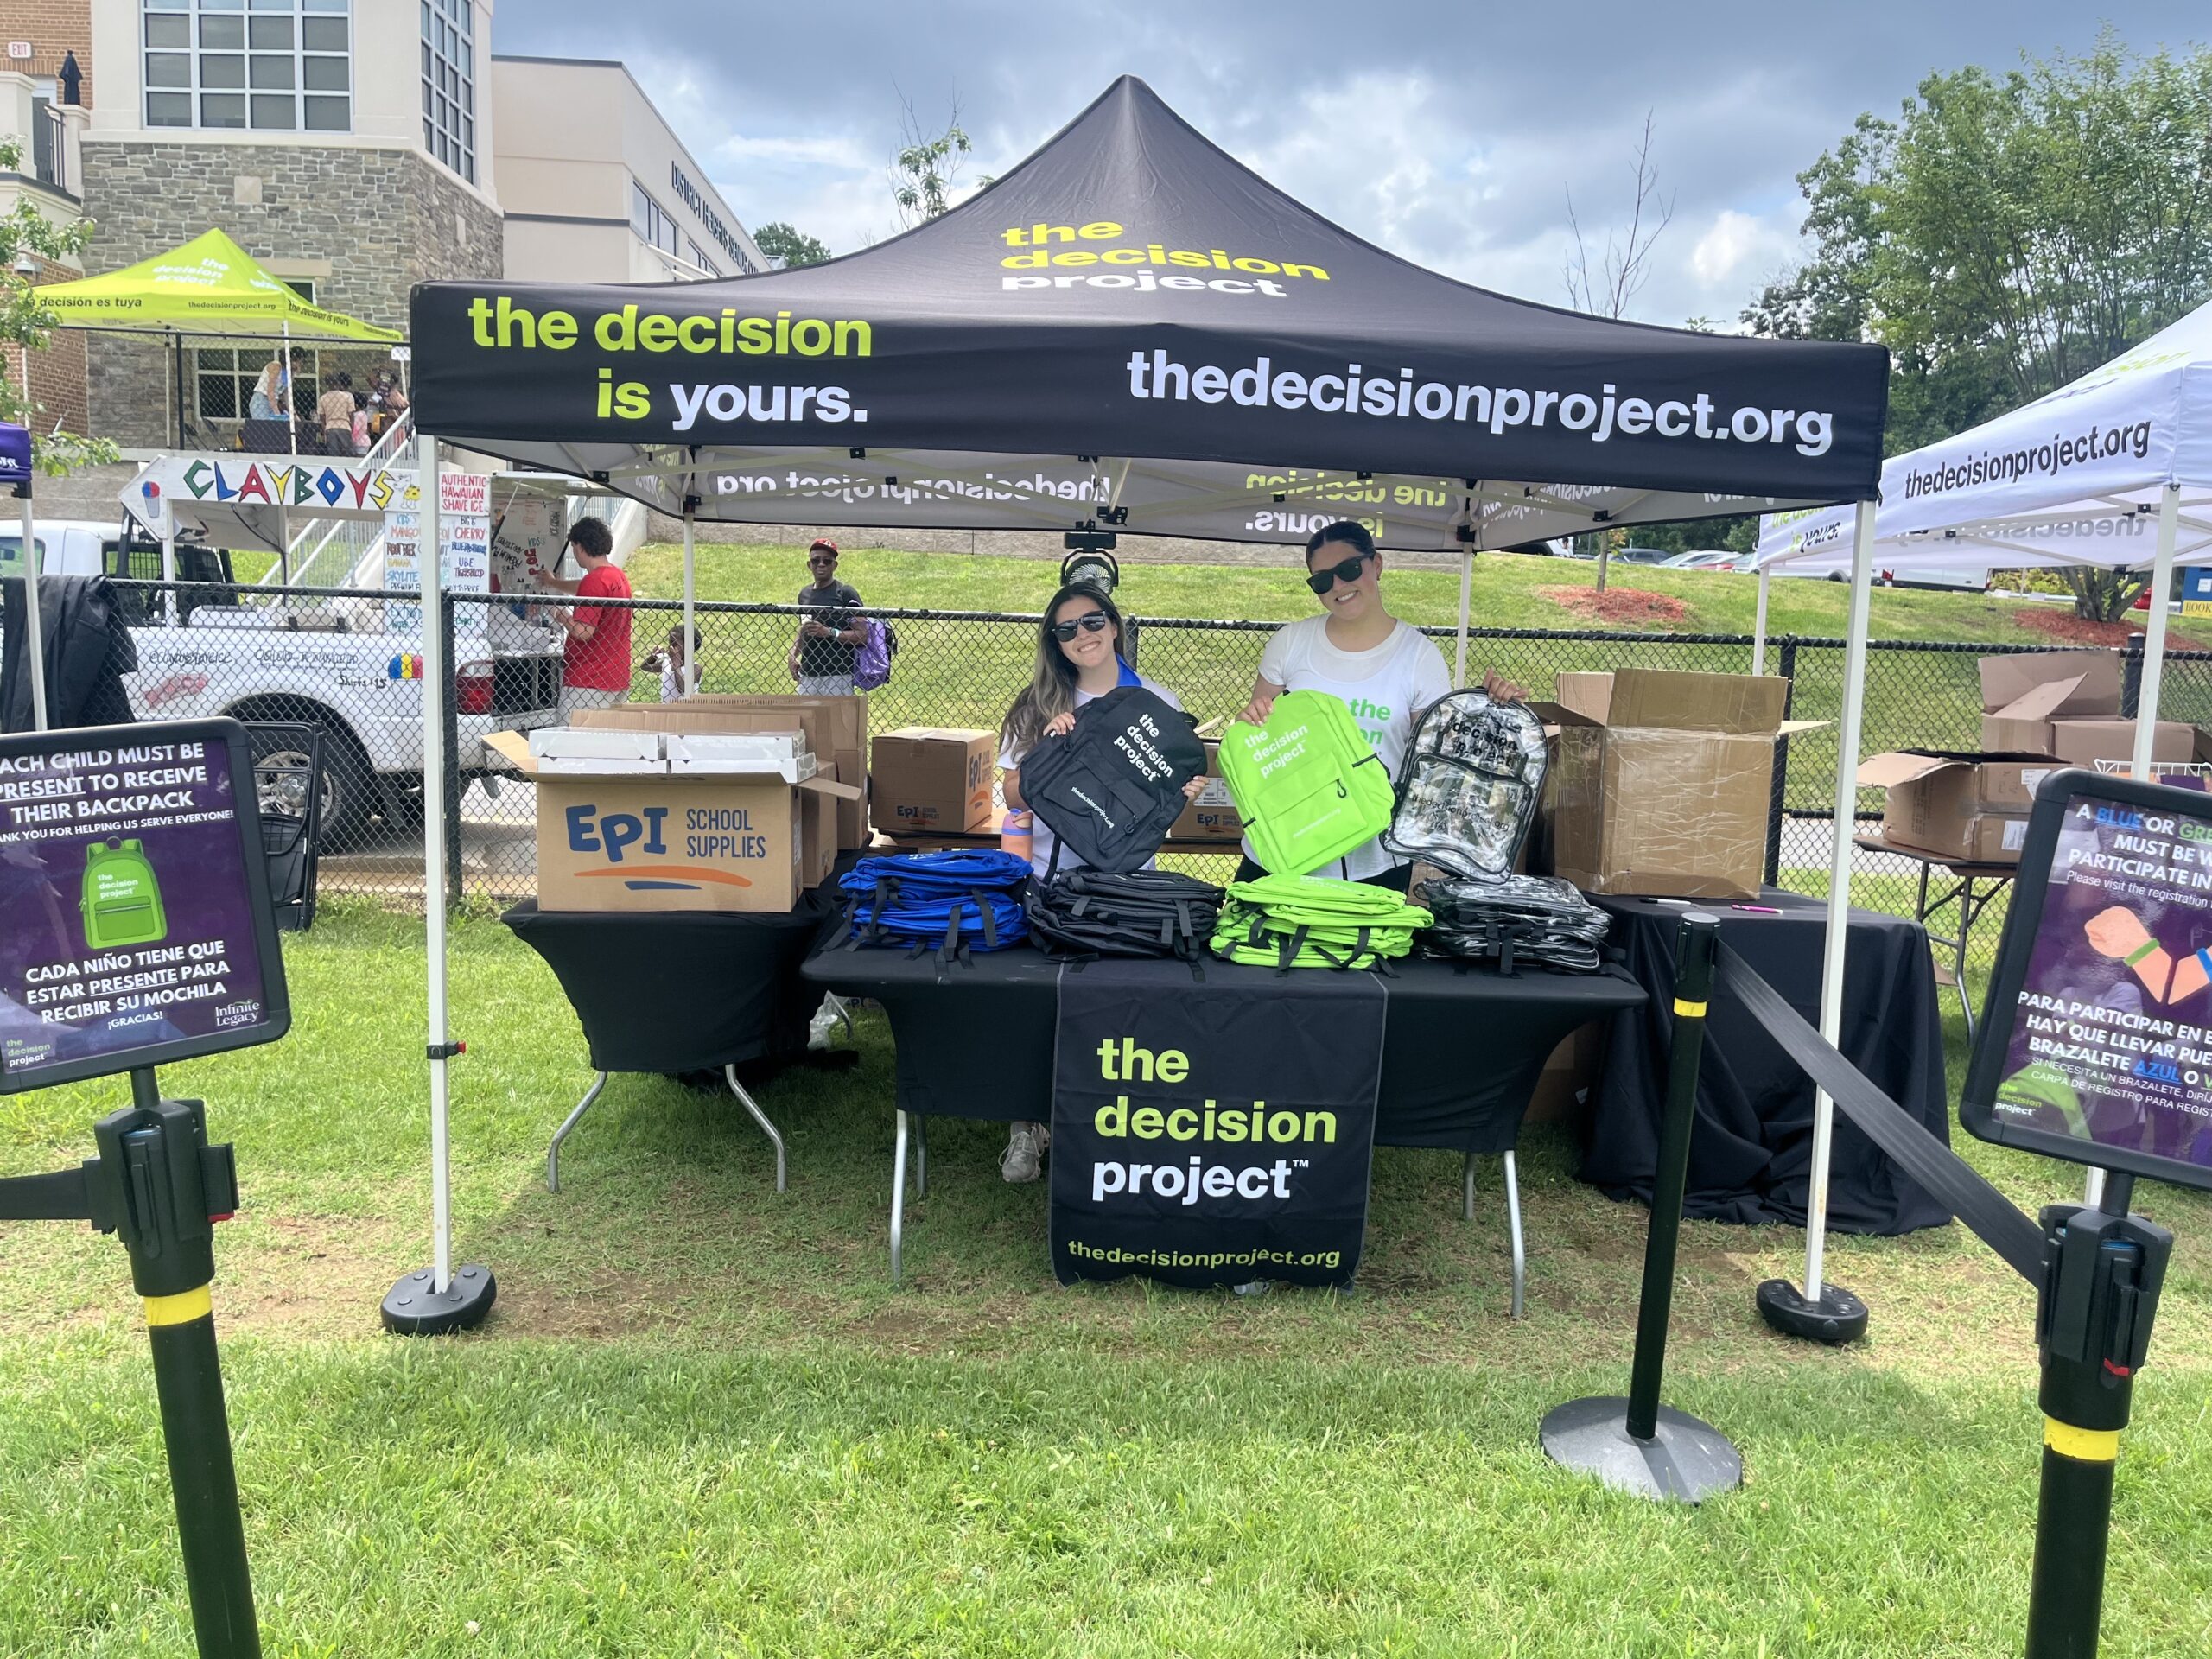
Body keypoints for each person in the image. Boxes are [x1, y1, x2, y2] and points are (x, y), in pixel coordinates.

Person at [995, 581, 1206, 1183]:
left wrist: (1184, 794)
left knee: (1116, 1012)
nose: (1082, 636)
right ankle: (1026, 1127)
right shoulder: (1037, 704)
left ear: (1114, 626)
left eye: (1092, 622)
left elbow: (1162, 805)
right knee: (1039, 1007)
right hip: (1051, 880)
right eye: (1066, 629)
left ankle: (1105, 1129)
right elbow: (1011, 795)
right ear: (1055, 643)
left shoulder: (1156, 700)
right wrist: (1047, 751)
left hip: (1126, 886)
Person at [1232, 521, 1522, 890]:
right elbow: (1256, 736)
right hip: (1287, 845)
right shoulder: (1290, 642)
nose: (1338, 586)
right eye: (1322, 580)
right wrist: (1251, 719)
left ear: (1377, 564)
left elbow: (1439, 759)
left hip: (1375, 857)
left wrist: (1491, 709)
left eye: (1349, 569)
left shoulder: (1418, 656)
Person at [547, 515, 632, 715]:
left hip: (588, 679)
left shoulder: (593, 581)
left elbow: (583, 631)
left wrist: (559, 613)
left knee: (569, 732)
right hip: (616, 675)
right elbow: (585, 588)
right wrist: (553, 583)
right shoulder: (616, 576)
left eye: (573, 546)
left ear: (580, 547)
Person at [787, 539, 865, 695]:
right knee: (806, 711)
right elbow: (805, 628)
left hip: (838, 673)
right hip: (808, 673)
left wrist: (830, 632)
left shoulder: (845, 593)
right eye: (816, 560)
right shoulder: (804, 595)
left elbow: (863, 635)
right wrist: (793, 653)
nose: (821, 564)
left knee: (836, 712)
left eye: (827, 561)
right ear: (809, 565)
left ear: (834, 565)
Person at [642, 622, 703, 702]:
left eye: (674, 644)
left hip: (685, 708)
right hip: (666, 708)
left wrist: (676, 665)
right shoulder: (667, 662)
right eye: (670, 643)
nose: (670, 647)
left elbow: (682, 688)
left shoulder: (696, 668)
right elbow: (645, 667)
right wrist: (655, 655)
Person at [249, 347, 302, 423]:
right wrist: (277, 414)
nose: (300, 364)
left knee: (273, 428)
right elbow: (270, 391)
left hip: (274, 402)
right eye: (298, 362)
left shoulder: (290, 374)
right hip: (262, 400)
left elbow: (287, 396)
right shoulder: (276, 367)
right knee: (265, 426)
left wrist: (294, 414)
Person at [315, 372, 359, 455]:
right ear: (339, 382)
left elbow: (322, 418)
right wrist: (351, 428)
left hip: (330, 427)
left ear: (327, 384)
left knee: (333, 454)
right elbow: (351, 415)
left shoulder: (323, 398)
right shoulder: (347, 397)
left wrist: (324, 431)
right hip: (345, 426)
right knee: (347, 454)